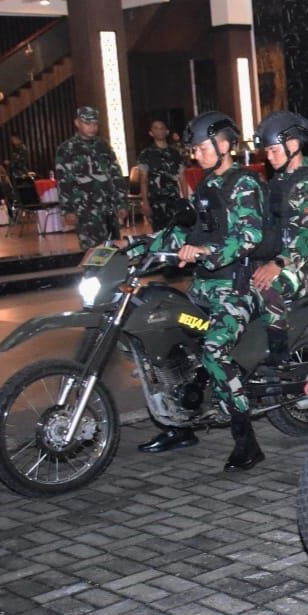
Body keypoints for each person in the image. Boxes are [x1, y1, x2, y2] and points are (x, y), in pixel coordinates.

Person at [125, 112, 267, 470]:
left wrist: (206, 253)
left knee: (215, 351)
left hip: (237, 287)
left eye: (202, 148)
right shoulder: (205, 186)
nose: (196, 155)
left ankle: (246, 441)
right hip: (203, 285)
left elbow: (250, 237)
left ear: (223, 144)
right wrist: (136, 247)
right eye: (193, 149)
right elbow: (185, 231)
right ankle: (179, 422)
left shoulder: (244, 185)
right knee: (162, 333)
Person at [249, 111, 308, 369]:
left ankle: (278, 352)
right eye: (268, 152)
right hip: (285, 254)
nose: (269, 157)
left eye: (274, 150)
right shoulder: (282, 180)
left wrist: (279, 263)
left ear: (293, 145)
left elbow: (306, 235)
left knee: (267, 285)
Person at [55, 105, 125, 250]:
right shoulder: (67, 149)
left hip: (108, 207)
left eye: (95, 124)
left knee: (113, 249)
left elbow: (116, 175)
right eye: (87, 123)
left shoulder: (103, 145)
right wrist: (68, 210)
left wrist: (122, 203)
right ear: (77, 123)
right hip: (84, 209)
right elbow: (64, 182)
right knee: (92, 252)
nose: (92, 127)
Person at [132, 117, 188, 231]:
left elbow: (182, 178)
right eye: (156, 128)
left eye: (162, 128)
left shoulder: (175, 153)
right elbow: (143, 180)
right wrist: (145, 202)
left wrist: (186, 201)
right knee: (158, 234)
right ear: (151, 133)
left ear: (167, 132)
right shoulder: (146, 154)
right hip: (155, 200)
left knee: (176, 232)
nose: (160, 131)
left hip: (173, 200)